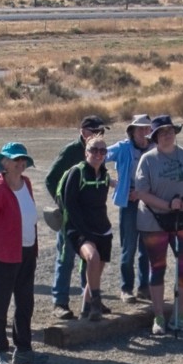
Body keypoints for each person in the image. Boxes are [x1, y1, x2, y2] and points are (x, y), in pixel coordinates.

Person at [134, 117, 183, 334]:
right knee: (158, 267)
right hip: (154, 222)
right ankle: (159, 317)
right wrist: (167, 205)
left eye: (170, 130)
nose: (167, 134)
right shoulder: (147, 160)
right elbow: (142, 192)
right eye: (161, 132)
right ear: (154, 136)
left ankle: (179, 315)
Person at [0, 142, 40, 364]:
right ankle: (0, 351)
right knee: (0, 302)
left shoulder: (27, 184)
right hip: (2, 253)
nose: (20, 163)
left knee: (25, 302)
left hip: (26, 250)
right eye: (15, 160)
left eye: (23, 159)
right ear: (4, 163)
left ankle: (23, 349)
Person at [45, 116, 107, 318]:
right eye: (95, 130)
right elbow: (51, 178)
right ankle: (59, 302)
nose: (99, 135)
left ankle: (88, 300)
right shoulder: (72, 151)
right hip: (69, 218)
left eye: (102, 131)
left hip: (90, 219)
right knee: (66, 257)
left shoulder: (98, 154)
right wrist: (62, 204)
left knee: (89, 259)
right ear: (83, 131)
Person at [56, 133, 115, 322]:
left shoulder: (104, 175)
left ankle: (86, 308)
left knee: (97, 268)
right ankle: (96, 303)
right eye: (94, 150)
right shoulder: (77, 172)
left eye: (102, 151)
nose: (98, 154)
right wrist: (84, 232)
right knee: (93, 258)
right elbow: (70, 204)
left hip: (102, 229)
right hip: (79, 229)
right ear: (86, 152)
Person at [106, 113, 155, 302]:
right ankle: (126, 288)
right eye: (139, 128)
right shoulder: (123, 147)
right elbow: (97, 158)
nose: (143, 132)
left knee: (148, 248)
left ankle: (144, 287)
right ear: (132, 131)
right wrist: (114, 183)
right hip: (129, 203)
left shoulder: (154, 147)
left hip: (149, 202)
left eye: (146, 128)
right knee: (129, 247)